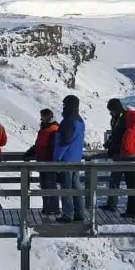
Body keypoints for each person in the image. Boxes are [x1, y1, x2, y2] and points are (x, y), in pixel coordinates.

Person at [54, 95, 87, 223]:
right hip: (76, 158)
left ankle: (68, 215)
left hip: (66, 159)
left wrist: (57, 158)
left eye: (64, 104)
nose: (63, 106)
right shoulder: (80, 121)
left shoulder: (67, 121)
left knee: (66, 188)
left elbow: (64, 142)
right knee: (76, 188)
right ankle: (80, 213)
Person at [24, 108, 60, 216]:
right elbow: (38, 144)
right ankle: (47, 208)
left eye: (42, 117)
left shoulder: (54, 129)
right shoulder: (44, 128)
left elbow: (53, 146)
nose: (41, 119)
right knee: (44, 185)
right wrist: (29, 153)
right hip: (42, 161)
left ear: (47, 117)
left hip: (49, 162)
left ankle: (53, 208)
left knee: (50, 185)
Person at [99, 98, 126, 211]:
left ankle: (133, 208)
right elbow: (115, 134)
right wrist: (110, 141)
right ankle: (111, 204)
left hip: (123, 153)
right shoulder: (116, 119)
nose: (110, 112)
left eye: (111, 110)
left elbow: (121, 136)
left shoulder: (124, 119)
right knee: (114, 180)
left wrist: (112, 143)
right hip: (117, 153)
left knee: (117, 180)